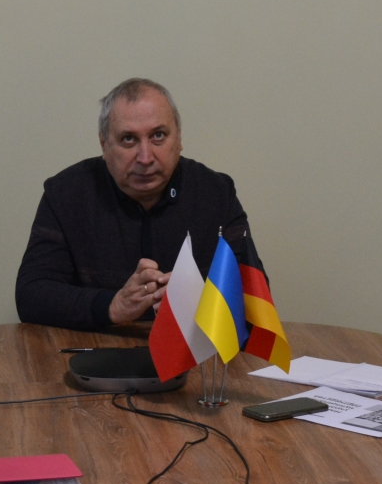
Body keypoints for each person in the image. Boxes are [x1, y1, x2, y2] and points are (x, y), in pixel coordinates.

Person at [16, 78, 262, 330]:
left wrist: (202, 300)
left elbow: (256, 299)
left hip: (193, 348)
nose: (145, 158)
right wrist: (112, 305)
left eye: (158, 136)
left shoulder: (217, 193)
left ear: (179, 139)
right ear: (104, 145)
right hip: (97, 347)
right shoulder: (66, 194)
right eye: (128, 139)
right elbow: (30, 295)